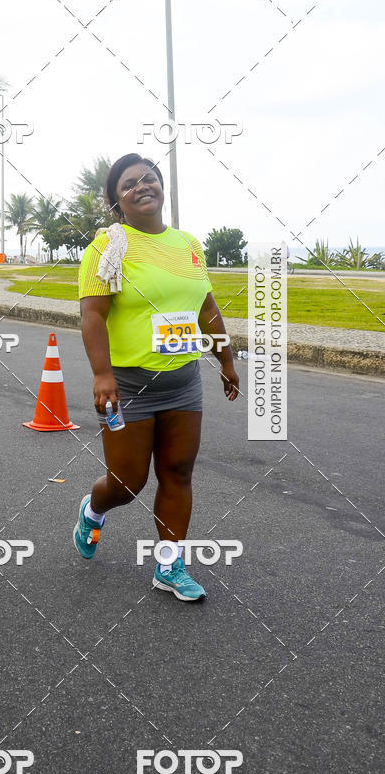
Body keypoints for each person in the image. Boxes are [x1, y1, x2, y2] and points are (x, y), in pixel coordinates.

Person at [74, 153, 239, 601]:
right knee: (127, 483)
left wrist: (225, 359)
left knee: (178, 472)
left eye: (149, 178)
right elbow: (92, 315)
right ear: (116, 201)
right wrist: (102, 374)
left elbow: (206, 308)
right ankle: (93, 509)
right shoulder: (106, 248)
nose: (141, 186)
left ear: (161, 186)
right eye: (128, 184)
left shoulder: (188, 244)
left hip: (183, 380)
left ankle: (169, 566)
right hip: (128, 384)